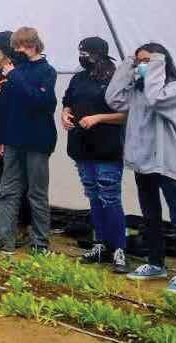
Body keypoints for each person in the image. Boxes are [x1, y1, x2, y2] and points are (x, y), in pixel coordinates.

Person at [107, 43, 176, 294]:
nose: (143, 65)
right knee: (151, 216)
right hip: (143, 162)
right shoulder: (138, 91)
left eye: (149, 60)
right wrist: (128, 65)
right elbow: (112, 98)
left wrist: (156, 64)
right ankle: (156, 263)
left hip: (168, 163)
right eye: (140, 61)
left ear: (162, 62)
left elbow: (157, 99)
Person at [62, 37, 128, 273]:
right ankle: (100, 243)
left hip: (107, 148)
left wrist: (99, 118)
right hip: (82, 146)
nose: (83, 58)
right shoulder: (79, 77)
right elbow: (67, 101)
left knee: (110, 196)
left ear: (99, 54)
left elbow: (126, 114)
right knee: (93, 195)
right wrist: (65, 114)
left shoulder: (116, 78)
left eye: (86, 54)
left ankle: (119, 248)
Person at [0, 27, 57, 253]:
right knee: (8, 190)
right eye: (15, 47)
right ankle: (5, 241)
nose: (17, 51)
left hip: (37, 141)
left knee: (37, 193)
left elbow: (42, 101)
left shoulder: (46, 71)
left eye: (20, 46)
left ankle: (40, 244)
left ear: (33, 45)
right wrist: (3, 136)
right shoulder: (16, 70)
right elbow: (7, 107)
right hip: (13, 139)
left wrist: (14, 76)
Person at [0, 31, 31, 240]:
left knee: (16, 182)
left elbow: (17, 107)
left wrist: (5, 135)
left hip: (9, 136)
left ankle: (23, 224)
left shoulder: (17, 74)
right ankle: (7, 225)